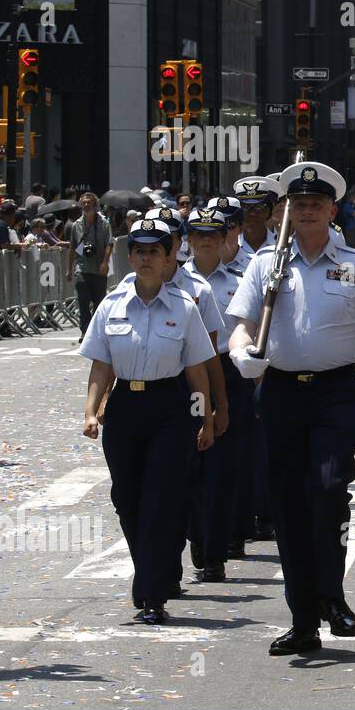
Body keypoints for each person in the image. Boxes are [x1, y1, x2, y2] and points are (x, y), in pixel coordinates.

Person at [226, 163, 355, 656]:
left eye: (314, 205)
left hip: (334, 394)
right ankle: (303, 618)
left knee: (325, 489)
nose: (305, 211)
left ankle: (332, 592)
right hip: (279, 393)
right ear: (286, 211)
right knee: (287, 507)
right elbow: (240, 323)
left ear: (331, 210)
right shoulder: (266, 265)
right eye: (297, 205)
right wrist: (241, 354)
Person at [78, 218, 216, 625]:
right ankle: (155, 570)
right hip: (125, 409)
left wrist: (204, 419)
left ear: (169, 256)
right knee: (127, 498)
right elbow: (101, 367)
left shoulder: (184, 307)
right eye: (138, 251)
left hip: (169, 408)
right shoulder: (111, 306)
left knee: (160, 498)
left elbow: (196, 371)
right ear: (130, 256)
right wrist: (90, 410)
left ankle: (152, 592)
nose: (145, 258)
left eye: (154, 251)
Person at [182, 207, 248, 583]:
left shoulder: (239, 278)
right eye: (198, 234)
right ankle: (196, 533)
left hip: (228, 371)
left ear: (225, 239)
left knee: (223, 467)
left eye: (214, 234)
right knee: (190, 462)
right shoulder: (176, 281)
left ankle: (216, 549)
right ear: (188, 240)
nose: (206, 240)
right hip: (190, 377)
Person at [66, 193, 115, 340]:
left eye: (89, 203)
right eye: (84, 203)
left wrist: (105, 262)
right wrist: (69, 268)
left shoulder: (104, 224)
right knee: (83, 301)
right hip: (82, 268)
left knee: (99, 303)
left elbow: (109, 244)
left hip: (99, 268)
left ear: (95, 206)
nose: (86, 206)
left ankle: (96, 330)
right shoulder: (76, 225)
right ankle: (85, 331)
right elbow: (73, 247)